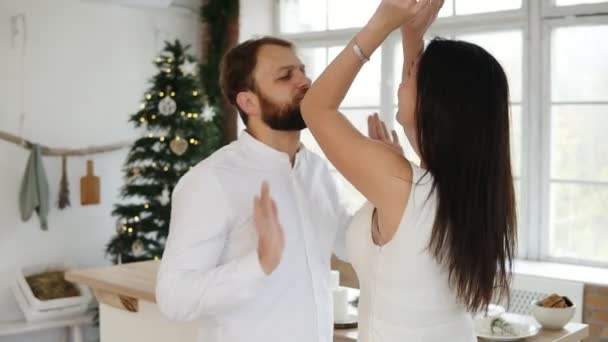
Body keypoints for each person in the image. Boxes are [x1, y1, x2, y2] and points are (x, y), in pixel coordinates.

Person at [299, 0, 518, 341]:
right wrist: (412, 34)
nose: (402, 80)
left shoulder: (404, 185)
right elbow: (423, 136)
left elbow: (315, 107)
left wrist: (380, 23)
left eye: (414, 74)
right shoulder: (469, 190)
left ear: (437, 102)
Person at [155, 36, 354, 342]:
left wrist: (384, 182)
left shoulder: (318, 171)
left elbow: (351, 245)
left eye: (302, 71)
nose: (305, 81)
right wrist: (259, 263)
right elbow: (173, 298)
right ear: (248, 102)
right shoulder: (210, 180)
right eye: (286, 76)